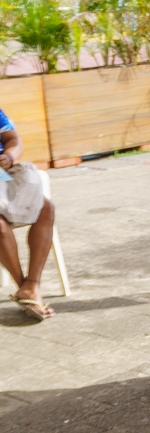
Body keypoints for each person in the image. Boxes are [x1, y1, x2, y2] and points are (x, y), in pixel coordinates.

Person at [0, 110, 55, 321]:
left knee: (45, 208)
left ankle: (32, 284)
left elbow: (13, 139)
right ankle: (24, 287)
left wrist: (9, 156)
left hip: (3, 177)